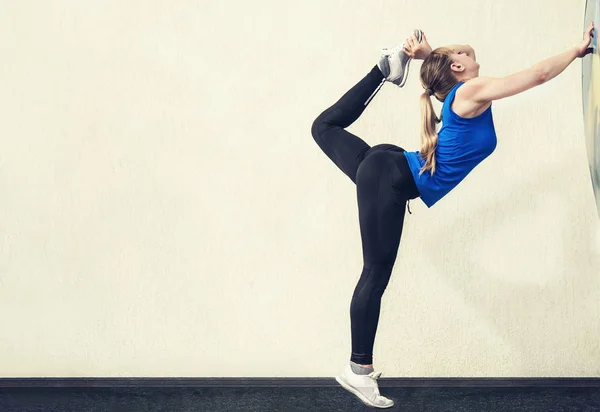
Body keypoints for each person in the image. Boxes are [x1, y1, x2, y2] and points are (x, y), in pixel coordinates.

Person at [310, 23, 595, 409]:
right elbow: (538, 76)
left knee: (323, 127)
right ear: (458, 71)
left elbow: (457, 70)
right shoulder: (469, 92)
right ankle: (358, 371)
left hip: (388, 167)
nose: (468, 54)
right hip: (388, 176)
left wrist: (432, 57)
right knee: (374, 274)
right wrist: (578, 51)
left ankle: (385, 70)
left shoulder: (459, 95)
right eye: (461, 55)